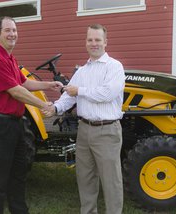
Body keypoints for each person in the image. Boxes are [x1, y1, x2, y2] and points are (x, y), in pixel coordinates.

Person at [0, 16, 63, 214]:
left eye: (14, 30)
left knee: (18, 174)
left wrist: (48, 85)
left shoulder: (10, 58)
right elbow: (15, 91)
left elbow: (24, 83)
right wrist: (45, 105)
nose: (12, 34)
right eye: (7, 30)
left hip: (15, 124)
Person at [44, 24, 125, 214]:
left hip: (107, 131)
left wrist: (79, 90)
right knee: (85, 178)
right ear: (86, 42)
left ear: (105, 42)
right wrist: (55, 108)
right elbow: (68, 96)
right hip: (84, 130)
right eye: (90, 40)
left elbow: (107, 94)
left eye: (98, 40)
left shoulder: (114, 67)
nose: (94, 43)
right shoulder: (82, 71)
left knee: (111, 181)